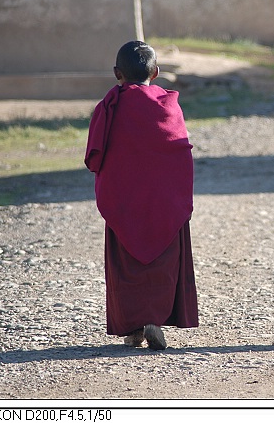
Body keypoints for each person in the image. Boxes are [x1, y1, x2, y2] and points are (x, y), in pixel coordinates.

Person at [85, 40, 199, 350]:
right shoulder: (168, 105)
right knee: (162, 260)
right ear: (157, 72)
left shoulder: (110, 106)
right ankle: (154, 321)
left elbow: (95, 157)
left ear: (116, 73)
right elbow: (179, 154)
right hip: (164, 202)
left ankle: (133, 327)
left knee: (127, 262)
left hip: (124, 201)